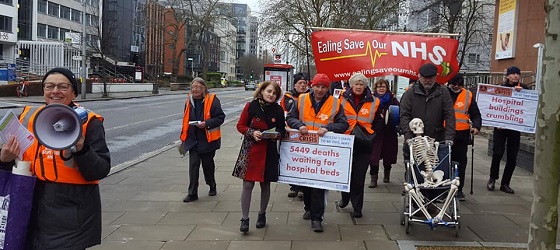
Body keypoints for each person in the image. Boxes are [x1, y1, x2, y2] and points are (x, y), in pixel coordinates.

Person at [0, 67, 111, 249]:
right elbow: (13, 159)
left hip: (70, 217)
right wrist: (4, 159)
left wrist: (81, 149)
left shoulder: (89, 122)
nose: (55, 91)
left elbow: (100, 169)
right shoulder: (27, 117)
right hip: (28, 207)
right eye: (49, 86)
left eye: (62, 87)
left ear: (74, 92)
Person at [286, 73, 348, 232]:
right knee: (305, 185)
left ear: (327, 88)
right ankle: (308, 208)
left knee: (319, 186)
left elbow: (343, 124)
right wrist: (299, 125)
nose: (320, 90)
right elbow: (290, 118)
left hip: (323, 152)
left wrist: (328, 128)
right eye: (317, 86)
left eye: (323, 87)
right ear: (311, 86)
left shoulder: (335, 103)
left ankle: (317, 218)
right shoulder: (301, 99)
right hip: (304, 149)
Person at [400, 63, 455, 214]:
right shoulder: (410, 93)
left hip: (436, 139)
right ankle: (415, 200)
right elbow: (404, 115)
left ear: (436, 77)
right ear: (419, 77)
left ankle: (430, 201)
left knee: (435, 171)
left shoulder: (443, 93)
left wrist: (449, 137)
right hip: (413, 140)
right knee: (413, 171)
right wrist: (408, 136)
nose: (427, 80)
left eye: (430, 78)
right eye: (424, 77)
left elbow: (450, 116)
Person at [233, 81, 286, 233]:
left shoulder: (278, 109)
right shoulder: (251, 106)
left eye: (274, 93)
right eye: (269, 91)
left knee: (265, 185)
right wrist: (251, 132)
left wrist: (276, 135)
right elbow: (240, 125)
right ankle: (244, 219)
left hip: (269, 151)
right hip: (250, 150)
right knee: (247, 185)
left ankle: (262, 214)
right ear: (262, 91)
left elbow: (282, 130)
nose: (271, 95)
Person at [337, 73, 381, 218]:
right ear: (351, 85)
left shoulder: (375, 101)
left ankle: (357, 207)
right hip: (345, 141)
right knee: (345, 174)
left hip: (364, 143)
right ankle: (345, 198)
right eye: (356, 84)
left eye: (361, 84)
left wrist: (372, 136)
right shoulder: (341, 99)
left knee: (359, 177)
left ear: (365, 85)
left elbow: (379, 123)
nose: (358, 86)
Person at [180, 77, 226, 202]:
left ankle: (212, 185)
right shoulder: (188, 101)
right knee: (193, 166)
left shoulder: (213, 100)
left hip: (208, 140)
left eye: (198, 87)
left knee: (207, 166)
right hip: (193, 139)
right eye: (193, 87)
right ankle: (192, 193)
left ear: (204, 88)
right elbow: (185, 118)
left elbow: (221, 117)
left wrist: (206, 123)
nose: (195, 90)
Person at [487, 66, 528, 194]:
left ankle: (505, 183)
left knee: (512, 157)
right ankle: (492, 178)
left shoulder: (525, 89)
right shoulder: (501, 88)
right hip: (501, 127)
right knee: (497, 153)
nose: (516, 76)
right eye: (513, 74)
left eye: (518, 74)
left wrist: (523, 93)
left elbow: (528, 106)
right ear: (508, 76)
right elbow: (494, 105)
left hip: (515, 128)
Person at [447, 73, 482, 200]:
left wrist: (476, 126)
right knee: (443, 162)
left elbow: (476, 114)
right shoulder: (443, 93)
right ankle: (443, 188)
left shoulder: (468, 95)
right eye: (454, 84)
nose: (456, 87)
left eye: (459, 85)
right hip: (444, 133)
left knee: (460, 163)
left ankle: (458, 189)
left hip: (462, 134)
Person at [281, 73, 309, 198]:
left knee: (304, 160)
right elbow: (287, 110)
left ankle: (304, 187)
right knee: (293, 160)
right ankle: (294, 186)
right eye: (300, 83)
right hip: (291, 131)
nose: (302, 85)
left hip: (306, 132)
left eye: (304, 83)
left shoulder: (310, 97)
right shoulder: (288, 97)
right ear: (295, 85)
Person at [369, 79, 400, 188]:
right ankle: (374, 178)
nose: (381, 88)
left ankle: (387, 174)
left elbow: (399, 112)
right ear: (375, 88)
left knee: (388, 155)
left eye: (383, 86)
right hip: (376, 132)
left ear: (387, 88)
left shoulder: (392, 99)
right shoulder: (371, 99)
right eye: (379, 87)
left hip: (389, 132)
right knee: (374, 156)